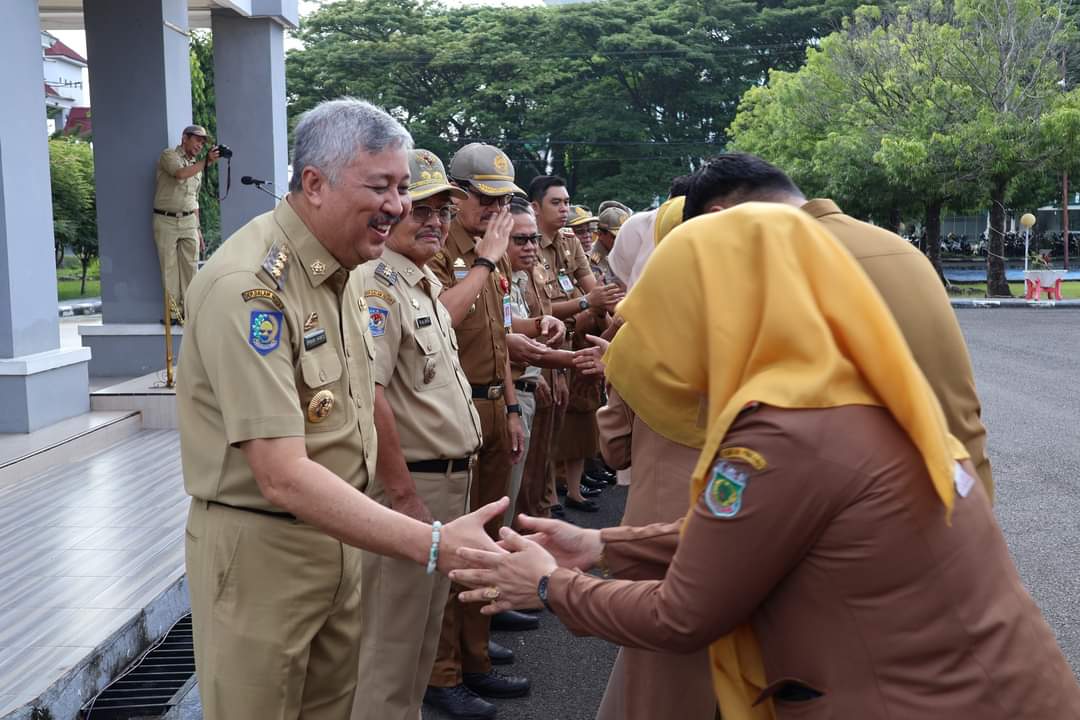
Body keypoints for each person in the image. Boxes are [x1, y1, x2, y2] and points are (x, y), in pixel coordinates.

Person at [452, 203, 1080, 720]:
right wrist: (601, 546)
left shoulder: (781, 433)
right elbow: (751, 531)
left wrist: (546, 584)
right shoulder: (834, 387)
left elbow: (682, 615)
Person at [176, 98, 506, 720]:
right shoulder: (250, 287)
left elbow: (360, 405)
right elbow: (280, 473)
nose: (398, 205)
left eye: (403, 187)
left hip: (341, 539)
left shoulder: (350, 270)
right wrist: (430, 541)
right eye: (380, 186)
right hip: (264, 552)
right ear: (314, 183)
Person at [683, 152, 993, 496]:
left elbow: (759, 427)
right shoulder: (896, 246)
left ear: (719, 218)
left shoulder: (783, 265)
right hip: (965, 487)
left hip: (880, 510)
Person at [349, 149, 484, 720]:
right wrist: (402, 495)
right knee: (391, 648)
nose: (433, 221)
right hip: (414, 489)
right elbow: (371, 394)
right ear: (394, 208)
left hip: (447, 485)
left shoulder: (423, 281)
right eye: (420, 208)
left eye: (443, 211)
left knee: (422, 644)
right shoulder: (378, 285)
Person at [424, 142, 532, 720]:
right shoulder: (442, 250)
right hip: (453, 413)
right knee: (455, 544)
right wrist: (486, 260)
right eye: (486, 200)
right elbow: (444, 314)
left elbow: (501, 344)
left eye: (503, 201)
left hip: (492, 406)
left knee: (487, 540)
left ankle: (474, 658)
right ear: (460, 196)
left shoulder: (492, 253)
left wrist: (514, 409)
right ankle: (443, 675)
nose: (495, 211)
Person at [153, 125, 219, 323]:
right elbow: (180, 174)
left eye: (203, 142)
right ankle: (174, 314)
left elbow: (194, 198)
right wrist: (206, 162)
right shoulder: (169, 155)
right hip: (166, 219)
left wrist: (198, 229)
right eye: (197, 140)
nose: (200, 145)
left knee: (191, 267)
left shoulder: (196, 165)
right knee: (169, 269)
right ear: (185, 138)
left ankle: (190, 313)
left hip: (189, 220)